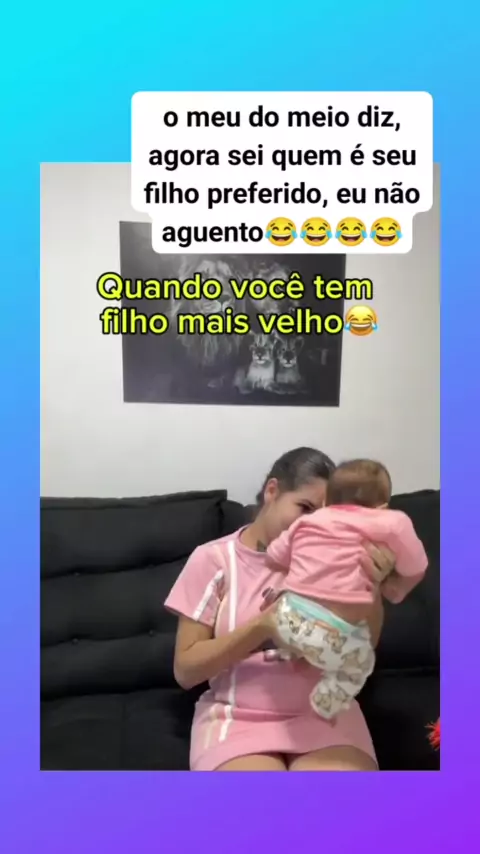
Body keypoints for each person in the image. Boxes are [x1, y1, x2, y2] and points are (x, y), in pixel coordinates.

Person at [165, 447, 396, 771]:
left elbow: (362, 647)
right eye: (305, 508)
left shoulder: (335, 560)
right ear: (272, 491)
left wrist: (371, 586)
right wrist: (264, 624)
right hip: (237, 716)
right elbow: (186, 670)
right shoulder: (213, 560)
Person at [264, 459, 428, 720]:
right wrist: (396, 589)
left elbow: (273, 556)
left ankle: (289, 650)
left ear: (326, 500)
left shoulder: (308, 521)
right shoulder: (392, 522)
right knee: (361, 662)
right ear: (383, 507)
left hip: (284, 617)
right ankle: (324, 704)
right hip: (330, 635)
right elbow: (416, 565)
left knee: (318, 624)